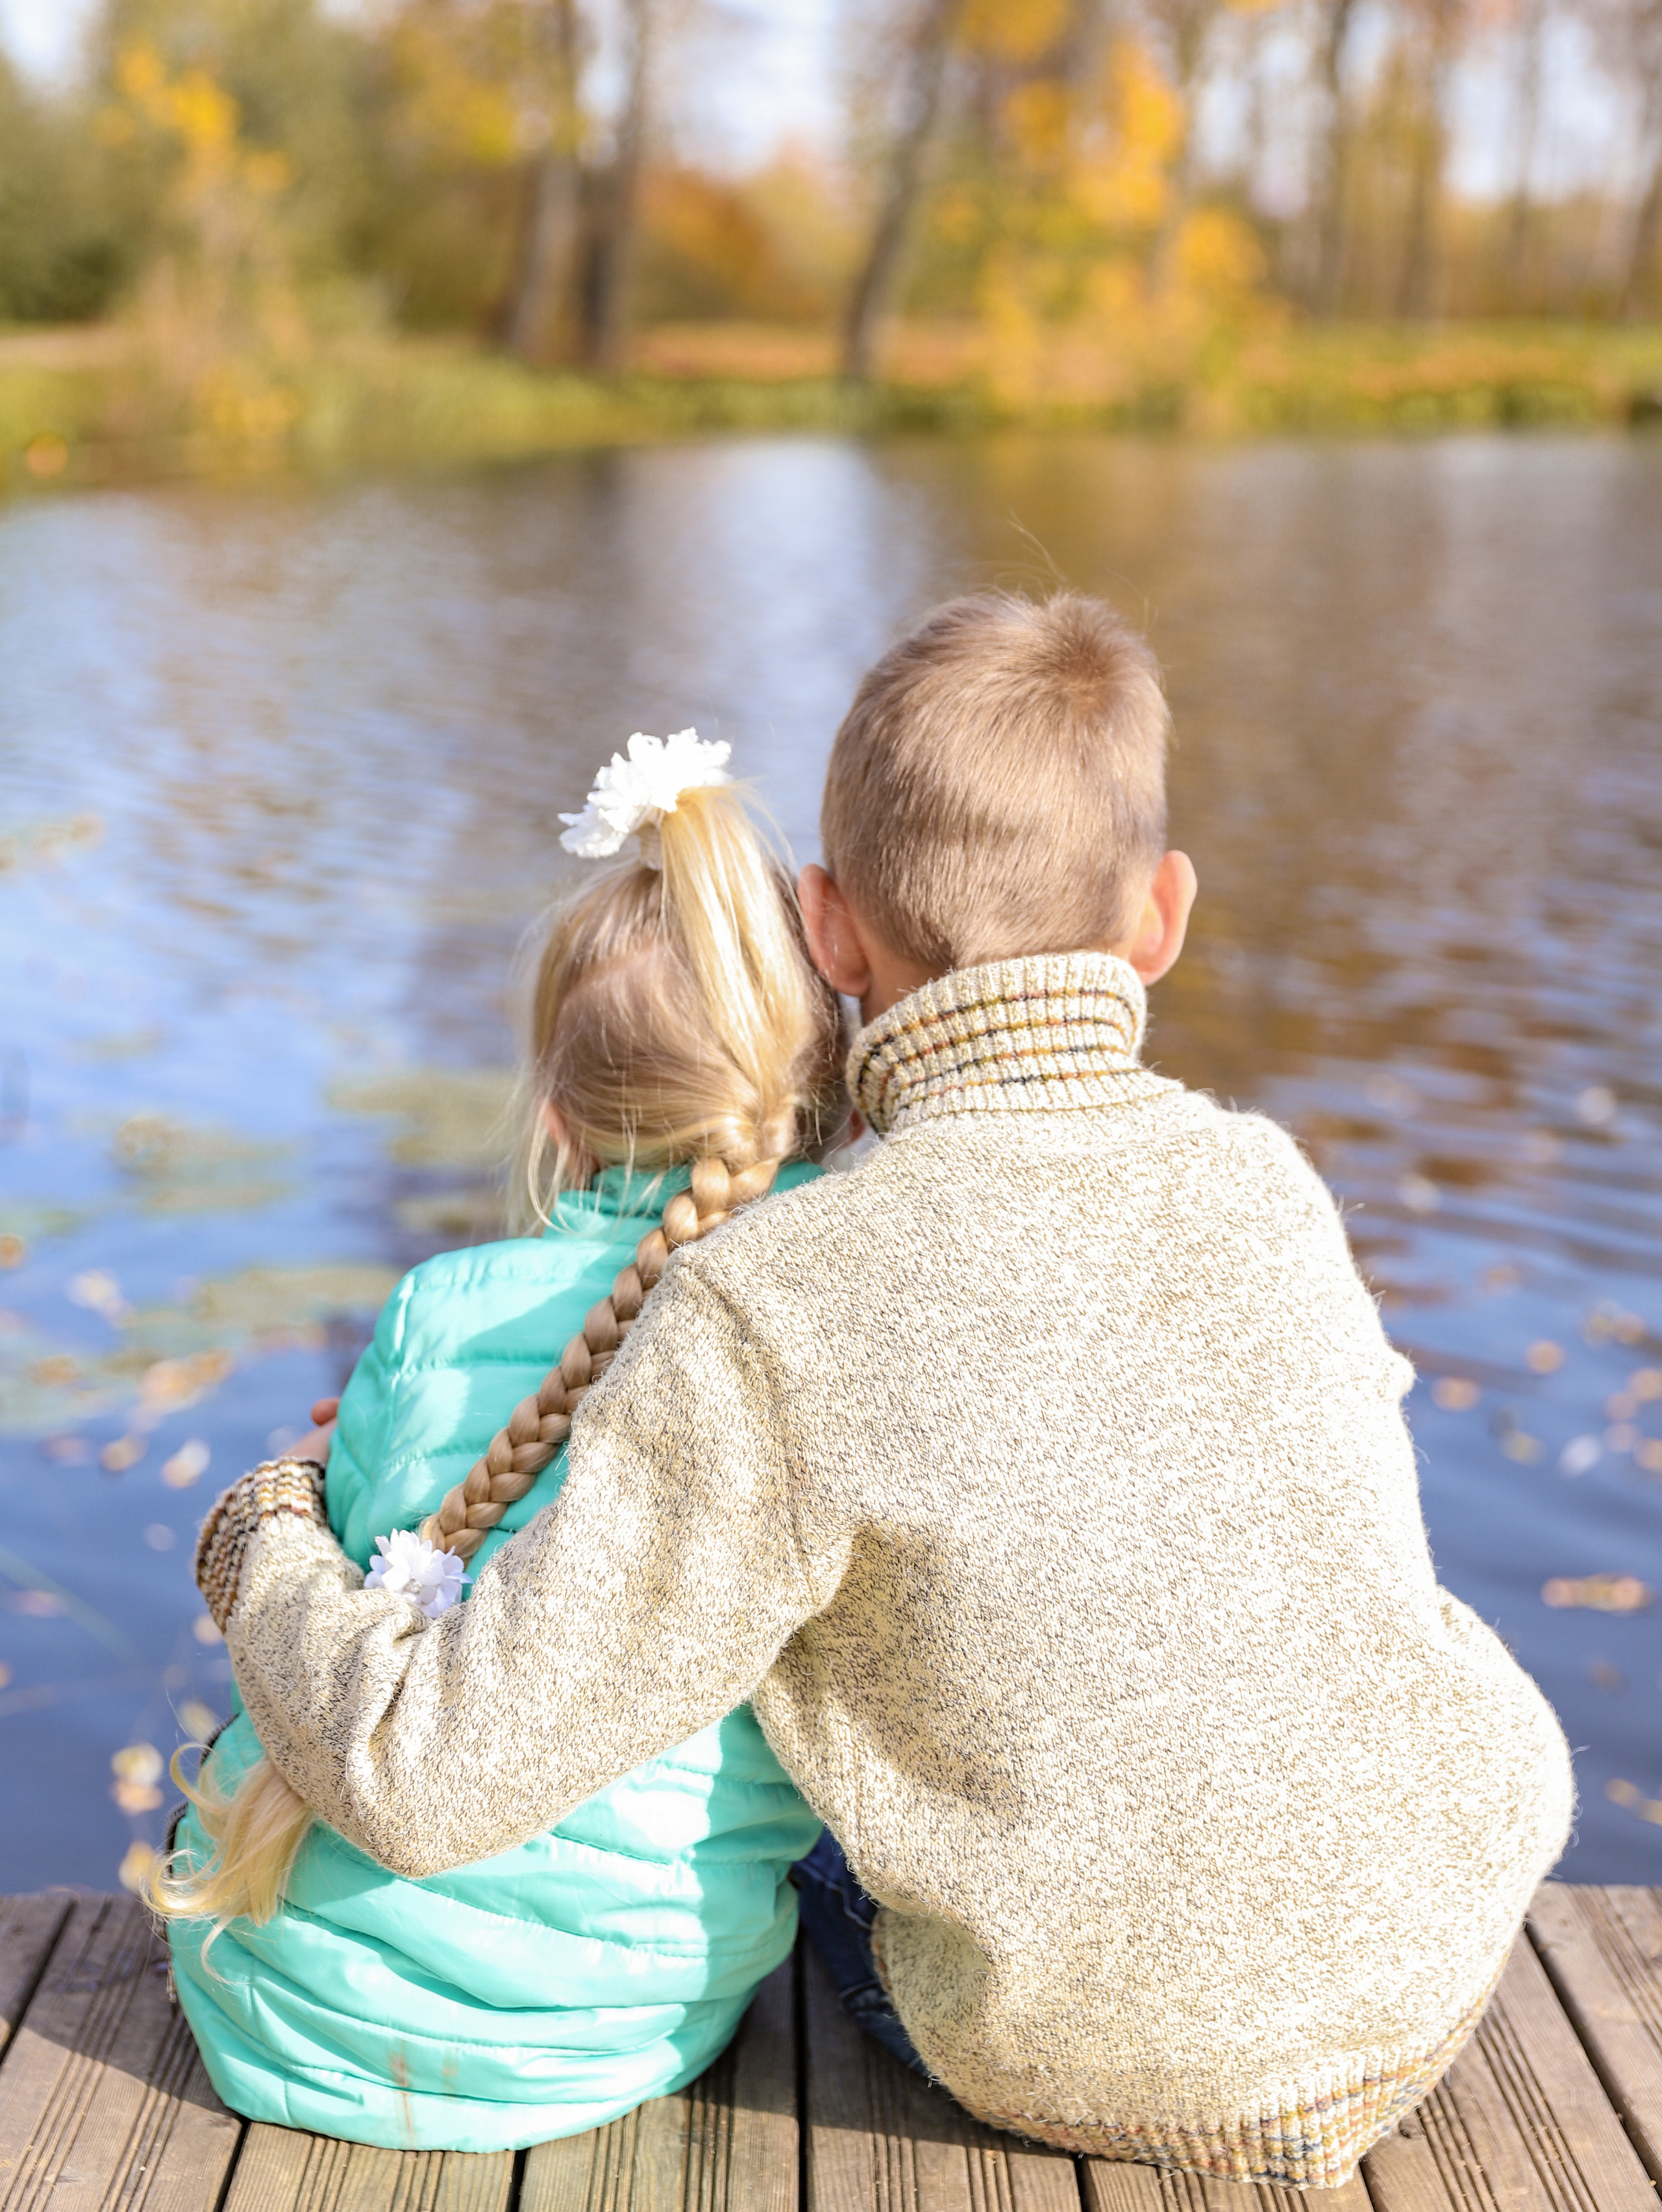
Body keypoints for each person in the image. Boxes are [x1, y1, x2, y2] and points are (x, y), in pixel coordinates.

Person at [190, 593, 1573, 2187]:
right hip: (1425, 1973)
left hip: (1093, 2060)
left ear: (828, 929)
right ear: (1161, 916)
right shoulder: (1264, 1181)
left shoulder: (778, 1295)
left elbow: (423, 1781)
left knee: (806, 1805)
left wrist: (263, 1533)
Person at [156, 735, 840, 2150]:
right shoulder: (818, 1349)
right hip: (617, 2028)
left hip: (282, 2010)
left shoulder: (432, 1317)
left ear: (556, 1120)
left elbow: (341, 1610)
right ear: (803, 1101)